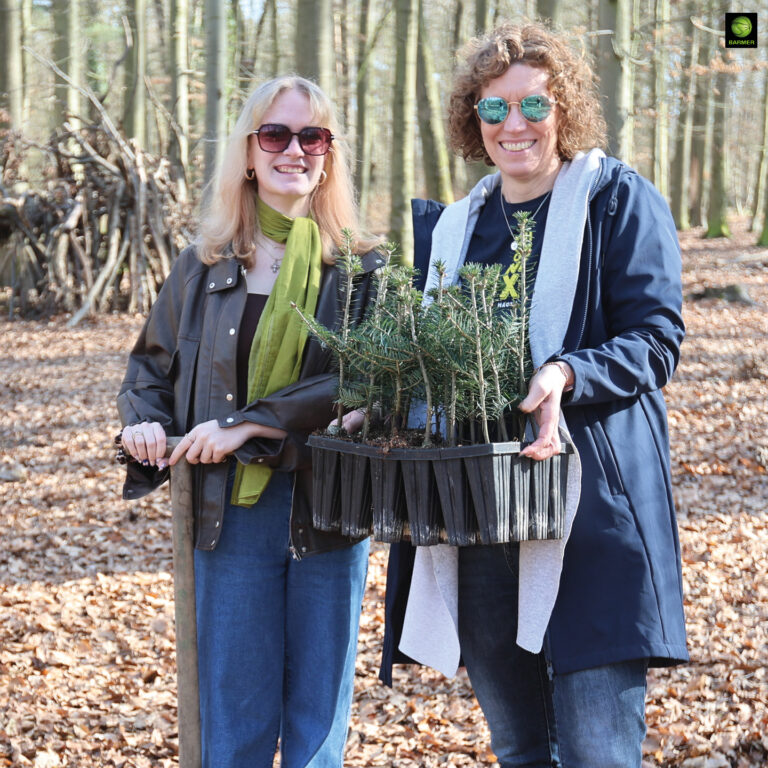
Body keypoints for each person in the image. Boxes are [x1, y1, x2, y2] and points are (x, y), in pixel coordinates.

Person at [380, 22, 688, 768]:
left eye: (532, 106)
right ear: (472, 120)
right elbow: (433, 361)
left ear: (567, 110)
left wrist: (564, 373)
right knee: (520, 747)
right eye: (493, 110)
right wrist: (383, 401)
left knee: (596, 751)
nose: (513, 125)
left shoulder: (617, 200)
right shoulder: (456, 229)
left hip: (591, 514)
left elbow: (655, 338)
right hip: (481, 517)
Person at [117, 75, 381, 768]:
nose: (293, 150)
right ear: (248, 151)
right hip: (228, 514)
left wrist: (249, 424)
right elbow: (150, 369)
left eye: (311, 136)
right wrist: (140, 425)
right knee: (231, 719)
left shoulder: (361, 273)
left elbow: (360, 383)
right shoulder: (202, 269)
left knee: (317, 721)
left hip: (328, 509)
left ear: (329, 154)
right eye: (275, 135)